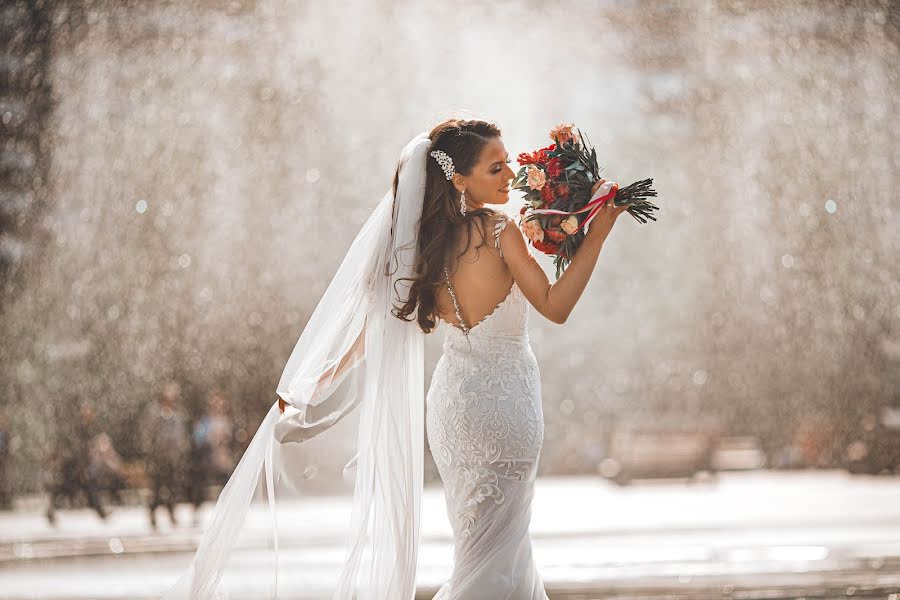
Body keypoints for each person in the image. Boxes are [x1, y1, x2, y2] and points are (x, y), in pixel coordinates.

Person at [163, 119, 629, 600]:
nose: (510, 174)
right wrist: (597, 234)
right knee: (500, 551)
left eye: (508, 162)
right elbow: (555, 306)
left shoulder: (419, 251)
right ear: (460, 179)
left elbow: (371, 329)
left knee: (480, 548)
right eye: (496, 166)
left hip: (452, 411)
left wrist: (318, 381)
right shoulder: (498, 231)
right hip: (506, 407)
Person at [140, 381, 191, 530]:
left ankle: (170, 513)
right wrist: (151, 452)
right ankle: (153, 514)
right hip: (159, 457)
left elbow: (181, 436)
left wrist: (181, 451)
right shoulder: (155, 414)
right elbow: (149, 435)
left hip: (172, 457)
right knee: (157, 488)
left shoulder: (177, 415)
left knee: (171, 487)